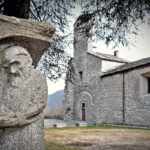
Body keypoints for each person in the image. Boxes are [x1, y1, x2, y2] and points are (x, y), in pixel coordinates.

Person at [0, 43, 47, 128]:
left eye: (15, 64)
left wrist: (18, 118)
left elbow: (40, 104)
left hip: (30, 127)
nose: (12, 71)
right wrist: (5, 118)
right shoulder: (4, 79)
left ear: (28, 60)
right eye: (6, 67)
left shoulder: (38, 77)